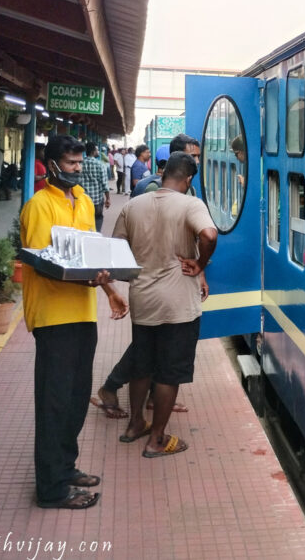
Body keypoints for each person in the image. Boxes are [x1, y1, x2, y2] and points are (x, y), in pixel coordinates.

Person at [20, 135, 128, 509]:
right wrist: (88, 278)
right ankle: (51, 489)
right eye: (70, 164)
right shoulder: (38, 206)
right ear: (51, 165)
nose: (77, 170)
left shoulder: (83, 201)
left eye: (80, 164)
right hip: (53, 318)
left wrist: (110, 290)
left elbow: (92, 255)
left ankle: (65, 468)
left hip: (83, 314)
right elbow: (46, 263)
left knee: (78, 398)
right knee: (54, 401)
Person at [111, 152, 217, 457]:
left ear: (163, 173)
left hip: (142, 299)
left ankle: (135, 425)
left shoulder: (133, 205)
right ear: (188, 179)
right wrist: (199, 263)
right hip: (178, 305)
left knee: (142, 365)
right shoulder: (190, 204)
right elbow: (209, 234)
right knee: (170, 372)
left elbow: (118, 248)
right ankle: (157, 439)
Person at [93, 134, 205, 415]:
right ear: (180, 161)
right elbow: (144, 235)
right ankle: (114, 388)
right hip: (159, 284)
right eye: (194, 156)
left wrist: (199, 272)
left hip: (158, 285)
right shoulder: (155, 189)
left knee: (150, 347)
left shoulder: (178, 192)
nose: (198, 161)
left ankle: (150, 400)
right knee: (150, 349)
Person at [79, 142, 111, 231]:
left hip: (83, 199)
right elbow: (105, 184)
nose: (98, 152)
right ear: (93, 151)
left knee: (84, 220)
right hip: (97, 200)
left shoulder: (80, 164)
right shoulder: (100, 164)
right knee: (98, 218)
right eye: (97, 150)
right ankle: (96, 234)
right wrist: (108, 198)